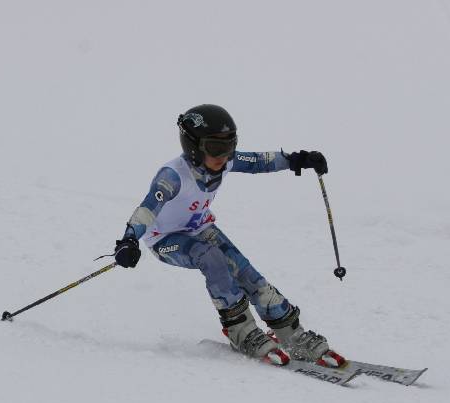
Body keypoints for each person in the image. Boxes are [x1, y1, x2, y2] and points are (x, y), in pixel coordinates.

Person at [113, 104, 345, 368]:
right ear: (194, 146)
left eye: (230, 146)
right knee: (210, 257)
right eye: (215, 147)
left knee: (244, 270)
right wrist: (129, 239)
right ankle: (240, 330)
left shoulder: (224, 160)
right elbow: (147, 209)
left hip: (200, 228)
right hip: (165, 240)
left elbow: (258, 161)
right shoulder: (173, 176)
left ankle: (290, 332)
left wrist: (297, 160)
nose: (223, 155)